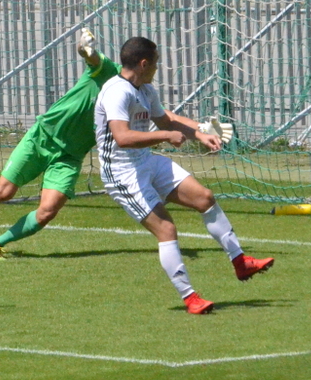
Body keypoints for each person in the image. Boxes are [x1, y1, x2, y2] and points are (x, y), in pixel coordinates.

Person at [93, 36, 272, 313]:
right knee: (166, 228)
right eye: (155, 63)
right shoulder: (117, 92)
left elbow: (168, 120)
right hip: (122, 173)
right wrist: (166, 136)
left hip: (146, 162)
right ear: (143, 64)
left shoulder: (145, 89)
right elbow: (122, 137)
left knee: (204, 197)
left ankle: (240, 262)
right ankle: (190, 298)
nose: (156, 68)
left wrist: (199, 134)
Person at [0, 29, 119, 260]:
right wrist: (84, 47)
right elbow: (90, 56)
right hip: (43, 137)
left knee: (47, 211)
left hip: (69, 157)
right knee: (3, 193)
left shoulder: (137, 95)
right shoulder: (109, 71)